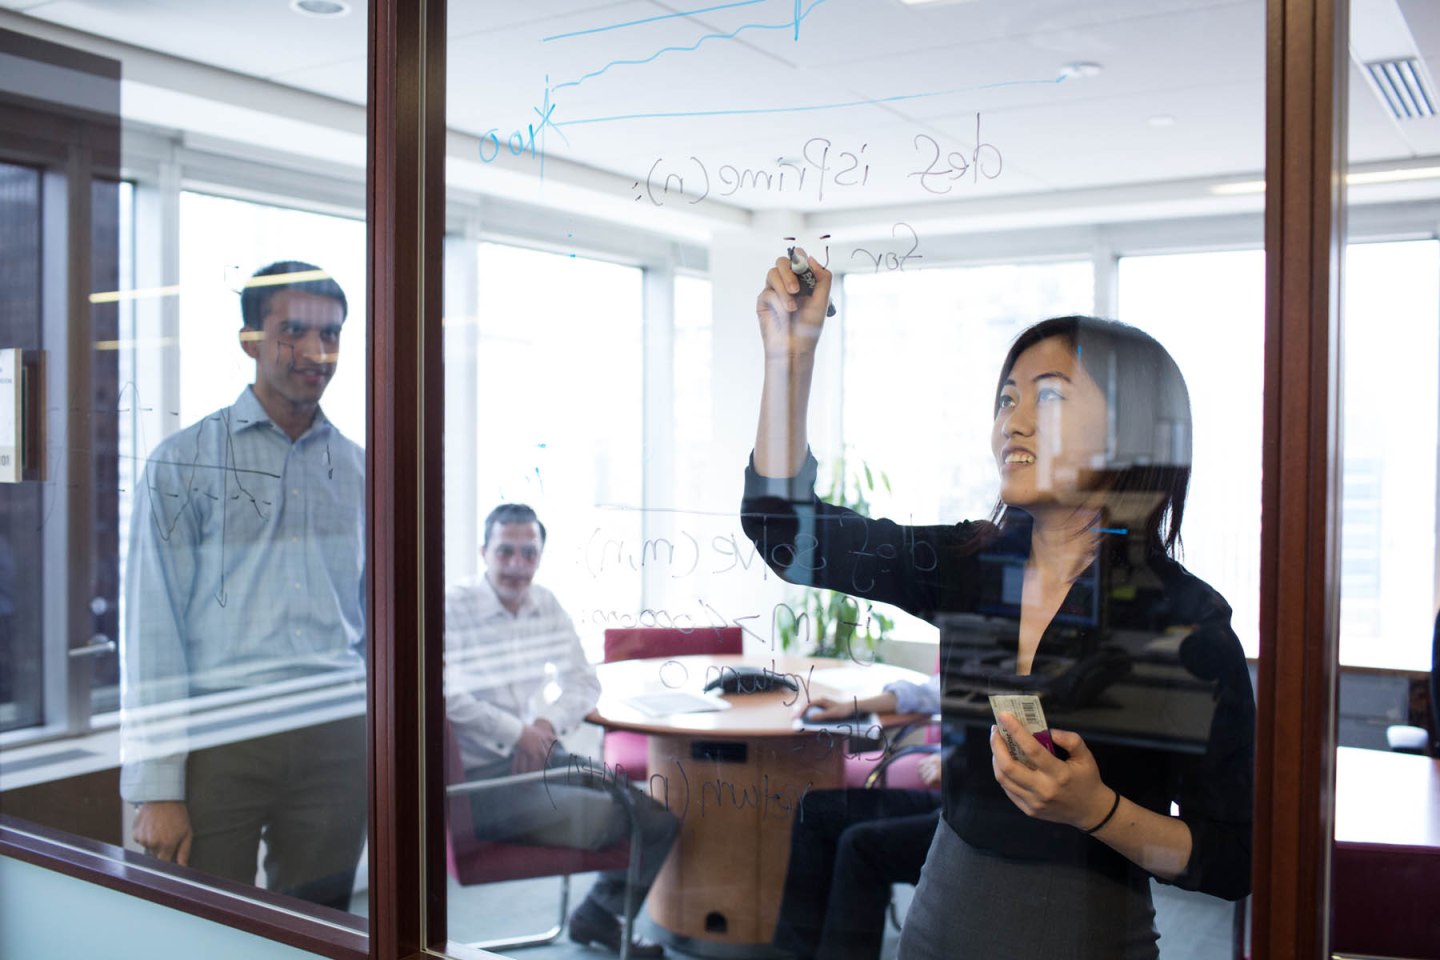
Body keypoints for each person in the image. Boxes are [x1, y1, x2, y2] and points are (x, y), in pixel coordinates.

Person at [741, 251, 1255, 959]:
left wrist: (1097, 810)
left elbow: (1231, 860)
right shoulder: (969, 566)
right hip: (935, 931)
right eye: (1007, 399)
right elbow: (785, 533)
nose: (1013, 421)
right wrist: (789, 359)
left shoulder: (1186, 622)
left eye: (1049, 397)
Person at [121, 261, 366, 911]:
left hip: (336, 736)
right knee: (207, 927)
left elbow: (377, 618)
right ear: (250, 340)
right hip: (223, 735)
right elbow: (152, 627)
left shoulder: (360, 470)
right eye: (294, 331)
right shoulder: (183, 462)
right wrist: (158, 786)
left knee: (320, 925)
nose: (316, 351)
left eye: (331, 334)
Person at [445, 503, 678, 958]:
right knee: (614, 817)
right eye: (505, 551)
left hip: (542, 756)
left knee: (657, 818)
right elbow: (442, 693)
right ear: (483, 552)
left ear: (540, 556)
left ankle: (599, 916)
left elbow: (585, 682)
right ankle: (601, 917)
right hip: (481, 783)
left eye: (528, 553)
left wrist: (544, 725)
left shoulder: (544, 603)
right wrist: (517, 734)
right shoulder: (454, 607)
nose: (517, 565)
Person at [774, 675, 944, 960]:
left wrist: (955, 762)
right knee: (815, 811)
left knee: (860, 846)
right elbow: (926, 693)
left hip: (973, 814)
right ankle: (797, 954)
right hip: (945, 800)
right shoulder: (976, 663)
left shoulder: (1017, 672)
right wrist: (849, 707)